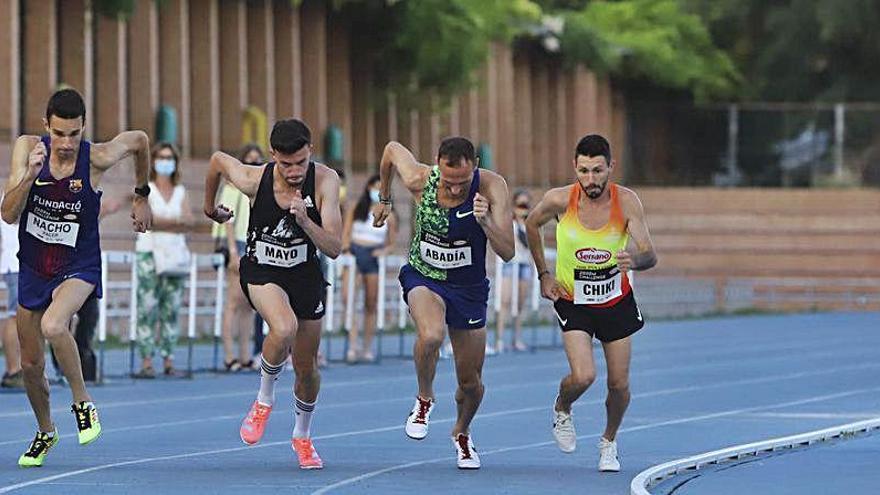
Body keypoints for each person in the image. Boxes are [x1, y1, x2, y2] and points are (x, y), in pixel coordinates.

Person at [0, 88, 152, 467]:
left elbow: (140, 141)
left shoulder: (96, 157)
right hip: (34, 267)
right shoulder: (26, 150)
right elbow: (7, 213)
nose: (66, 144)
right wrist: (31, 177)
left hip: (77, 265)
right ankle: (45, 431)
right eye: (59, 134)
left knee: (55, 324)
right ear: (45, 127)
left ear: (84, 127)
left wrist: (141, 194)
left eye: (74, 134)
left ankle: (83, 401)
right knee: (32, 367)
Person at [204, 118, 342, 470]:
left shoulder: (325, 181)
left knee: (306, 368)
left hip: (304, 275)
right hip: (262, 270)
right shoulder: (255, 179)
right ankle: (264, 399)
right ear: (273, 156)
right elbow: (218, 160)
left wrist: (307, 222)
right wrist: (210, 207)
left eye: (301, 162)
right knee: (283, 328)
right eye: (286, 164)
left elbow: (335, 247)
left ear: (311, 151)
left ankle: (302, 436)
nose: (295, 171)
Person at [372, 137, 514, 469]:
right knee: (432, 335)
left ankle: (462, 433)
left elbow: (508, 251)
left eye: (462, 182)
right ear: (437, 166)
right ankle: (424, 398)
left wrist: (485, 221)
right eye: (448, 182)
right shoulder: (419, 179)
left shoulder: (492, 187)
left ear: (475, 166)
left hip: (468, 288)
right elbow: (391, 149)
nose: (454, 190)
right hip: (425, 276)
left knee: (471, 383)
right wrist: (384, 198)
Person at [525, 134, 656, 472]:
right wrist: (544, 274)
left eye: (598, 171)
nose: (591, 180)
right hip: (573, 300)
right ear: (575, 168)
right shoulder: (559, 200)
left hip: (615, 300)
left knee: (619, 384)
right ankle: (562, 407)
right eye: (584, 171)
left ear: (611, 167)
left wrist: (635, 261)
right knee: (583, 376)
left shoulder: (626, 203)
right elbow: (530, 224)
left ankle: (609, 441)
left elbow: (649, 253)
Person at [132, 143, 194, 378]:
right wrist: (173, 222)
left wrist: (159, 221)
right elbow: (142, 220)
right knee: (147, 307)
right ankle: (147, 360)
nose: (165, 162)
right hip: (149, 252)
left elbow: (189, 222)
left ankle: (169, 358)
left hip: (175, 255)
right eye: (161, 157)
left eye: (169, 158)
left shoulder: (181, 191)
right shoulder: (145, 189)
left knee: (172, 308)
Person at [341, 174, 397, 363]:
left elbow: (392, 243)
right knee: (349, 300)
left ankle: (366, 347)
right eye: (374, 187)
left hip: (373, 255)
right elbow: (346, 232)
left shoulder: (391, 216)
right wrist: (347, 250)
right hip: (355, 252)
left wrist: (383, 252)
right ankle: (352, 345)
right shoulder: (357, 208)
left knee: (370, 303)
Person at [220, 144, 264, 372]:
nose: (254, 164)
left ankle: (246, 354)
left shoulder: (262, 188)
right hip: (238, 244)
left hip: (255, 243)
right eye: (249, 160)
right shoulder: (233, 187)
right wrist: (233, 251)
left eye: (258, 160)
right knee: (233, 302)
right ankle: (229, 355)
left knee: (249, 304)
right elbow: (227, 219)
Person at [494, 189, 533, 354]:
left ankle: (517, 338)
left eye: (526, 205)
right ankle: (499, 339)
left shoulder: (532, 225)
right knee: (505, 301)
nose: (523, 209)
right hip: (509, 264)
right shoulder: (510, 224)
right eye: (520, 205)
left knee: (520, 304)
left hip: (524, 265)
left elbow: (533, 247)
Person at [1, 200, 22, 388]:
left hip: (18, 262)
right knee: (14, 316)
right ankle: (13, 369)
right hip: (16, 262)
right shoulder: (13, 191)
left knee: (18, 316)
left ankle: (18, 367)